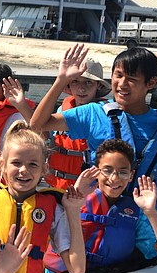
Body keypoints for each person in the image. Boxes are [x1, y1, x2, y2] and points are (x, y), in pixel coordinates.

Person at [30, 44, 157, 257]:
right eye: (118, 76)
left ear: (151, 83)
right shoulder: (93, 113)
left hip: (142, 222)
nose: (122, 84)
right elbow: (37, 125)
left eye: (132, 79)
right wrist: (61, 80)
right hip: (95, 216)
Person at [45, 139, 157, 273]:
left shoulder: (136, 214)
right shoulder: (72, 201)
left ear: (131, 176)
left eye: (123, 172)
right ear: (96, 171)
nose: (114, 178)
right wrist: (72, 205)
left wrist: (151, 212)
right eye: (107, 171)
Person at [0, 122, 86, 273]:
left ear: (43, 170)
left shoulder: (54, 208)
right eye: (16, 163)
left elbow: (77, 269)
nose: (24, 170)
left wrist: (73, 211)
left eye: (33, 164)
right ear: (2, 165)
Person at [45, 57, 111, 189]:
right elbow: (43, 134)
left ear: (98, 85)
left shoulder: (102, 114)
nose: (81, 89)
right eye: (75, 81)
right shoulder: (61, 110)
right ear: (69, 84)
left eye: (88, 82)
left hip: (86, 191)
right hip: (55, 185)